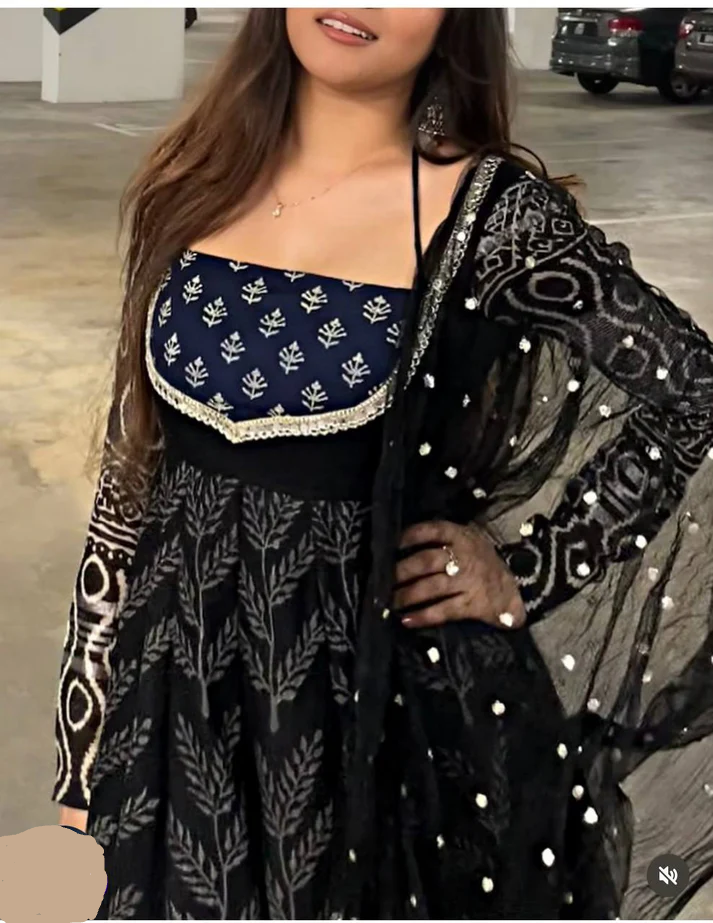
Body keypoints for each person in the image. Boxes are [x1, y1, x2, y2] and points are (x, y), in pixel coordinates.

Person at [52, 8, 713, 920]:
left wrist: (528, 567)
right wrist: (84, 747)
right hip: (178, 707)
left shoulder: (491, 215)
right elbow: (131, 485)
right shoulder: (190, 179)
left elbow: (692, 393)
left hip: (374, 725)